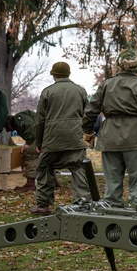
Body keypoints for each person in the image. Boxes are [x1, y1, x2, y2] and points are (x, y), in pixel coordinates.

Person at [82, 49, 137, 208]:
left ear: (118, 65)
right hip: (136, 136)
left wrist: (88, 131)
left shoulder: (106, 84)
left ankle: (112, 212)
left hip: (110, 136)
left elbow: (91, 110)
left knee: (112, 180)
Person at [30, 62, 92, 215]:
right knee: (78, 169)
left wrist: (39, 142)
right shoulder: (80, 91)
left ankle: (43, 205)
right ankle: (82, 203)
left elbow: (40, 120)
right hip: (75, 138)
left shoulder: (47, 92)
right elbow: (89, 115)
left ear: (54, 75)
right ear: (69, 74)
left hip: (52, 139)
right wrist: (87, 135)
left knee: (44, 167)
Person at [9, 109, 38, 191]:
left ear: (8, 122)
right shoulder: (20, 119)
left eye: (6, 127)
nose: (8, 130)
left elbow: (30, 127)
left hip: (42, 135)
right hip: (47, 134)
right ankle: (53, 181)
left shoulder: (18, 118)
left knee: (30, 153)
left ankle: (30, 183)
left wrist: (28, 143)